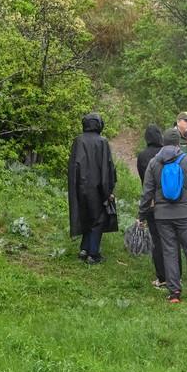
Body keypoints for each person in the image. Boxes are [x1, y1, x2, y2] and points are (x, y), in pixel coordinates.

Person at [139, 129, 187, 304]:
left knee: (169, 252)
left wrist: (141, 215)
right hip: (185, 214)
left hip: (162, 216)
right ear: (178, 143)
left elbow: (147, 192)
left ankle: (174, 293)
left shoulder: (154, 163)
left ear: (163, 142)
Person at [68, 112, 117, 264]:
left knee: (85, 217)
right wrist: (108, 191)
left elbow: (73, 167)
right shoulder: (102, 142)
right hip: (96, 188)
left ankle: (84, 249)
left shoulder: (78, 141)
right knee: (98, 220)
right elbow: (106, 168)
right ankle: (93, 254)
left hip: (79, 187)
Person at [135, 125, 168, 288]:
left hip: (153, 202)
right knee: (171, 239)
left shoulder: (143, 156)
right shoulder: (168, 153)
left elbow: (144, 180)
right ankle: (177, 274)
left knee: (157, 240)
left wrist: (142, 210)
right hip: (170, 201)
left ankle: (162, 277)